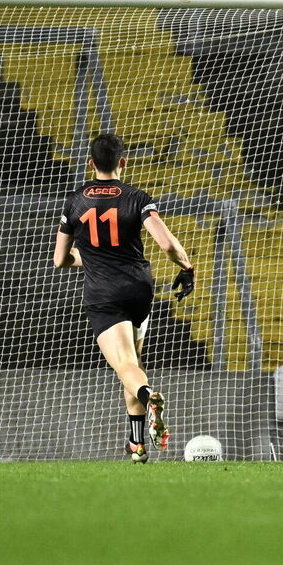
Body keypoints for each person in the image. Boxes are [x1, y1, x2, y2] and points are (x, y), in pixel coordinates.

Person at [53, 133, 195, 463]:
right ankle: (136, 443)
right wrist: (187, 267)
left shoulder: (76, 200)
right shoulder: (136, 197)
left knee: (125, 367)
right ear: (123, 162)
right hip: (139, 290)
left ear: (91, 163)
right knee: (133, 363)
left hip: (105, 294)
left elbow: (60, 259)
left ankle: (150, 396)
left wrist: (88, 255)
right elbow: (168, 245)